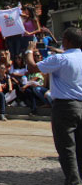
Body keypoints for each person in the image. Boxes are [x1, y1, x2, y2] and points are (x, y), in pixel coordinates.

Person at [26, 29, 82, 185]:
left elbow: (32, 68)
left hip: (65, 106)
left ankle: (73, 181)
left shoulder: (60, 59)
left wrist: (29, 51)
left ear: (68, 41)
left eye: (63, 38)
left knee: (66, 148)